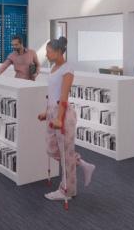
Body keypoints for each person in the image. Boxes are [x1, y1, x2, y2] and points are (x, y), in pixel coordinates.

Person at [37, 37, 95, 201]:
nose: (46, 55)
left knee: (65, 154)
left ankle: (66, 191)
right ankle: (84, 165)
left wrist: (59, 118)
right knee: (52, 149)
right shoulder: (54, 67)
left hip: (63, 115)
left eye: (48, 52)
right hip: (52, 112)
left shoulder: (67, 70)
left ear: (57, 52)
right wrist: (46, 112)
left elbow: (63, 96)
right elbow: (52, 93)